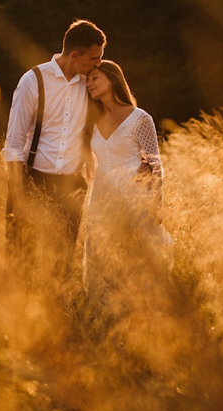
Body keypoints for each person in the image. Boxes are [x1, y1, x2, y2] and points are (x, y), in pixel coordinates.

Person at [2, 20, 106, 273]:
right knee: (21, 260)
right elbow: (14, 144)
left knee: (61, 266)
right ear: (74, 55)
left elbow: (117, 114)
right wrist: (19, 194)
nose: (98, 64)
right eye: (94, 58)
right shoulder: (33, 81)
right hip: (32, 180)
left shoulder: (90, 83)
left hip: (71, 185)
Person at [82, 60, 173, 305]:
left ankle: (143, 307)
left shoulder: (139, 118)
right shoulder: (91, 119)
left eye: (94, 78)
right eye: (87, 80)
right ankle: (104, 308)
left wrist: (158, 203)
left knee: (137, 252)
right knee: (102, 250)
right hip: (101, 193)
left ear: (112, 79)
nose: (88, 83)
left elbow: (155, 163)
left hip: (134, 192)